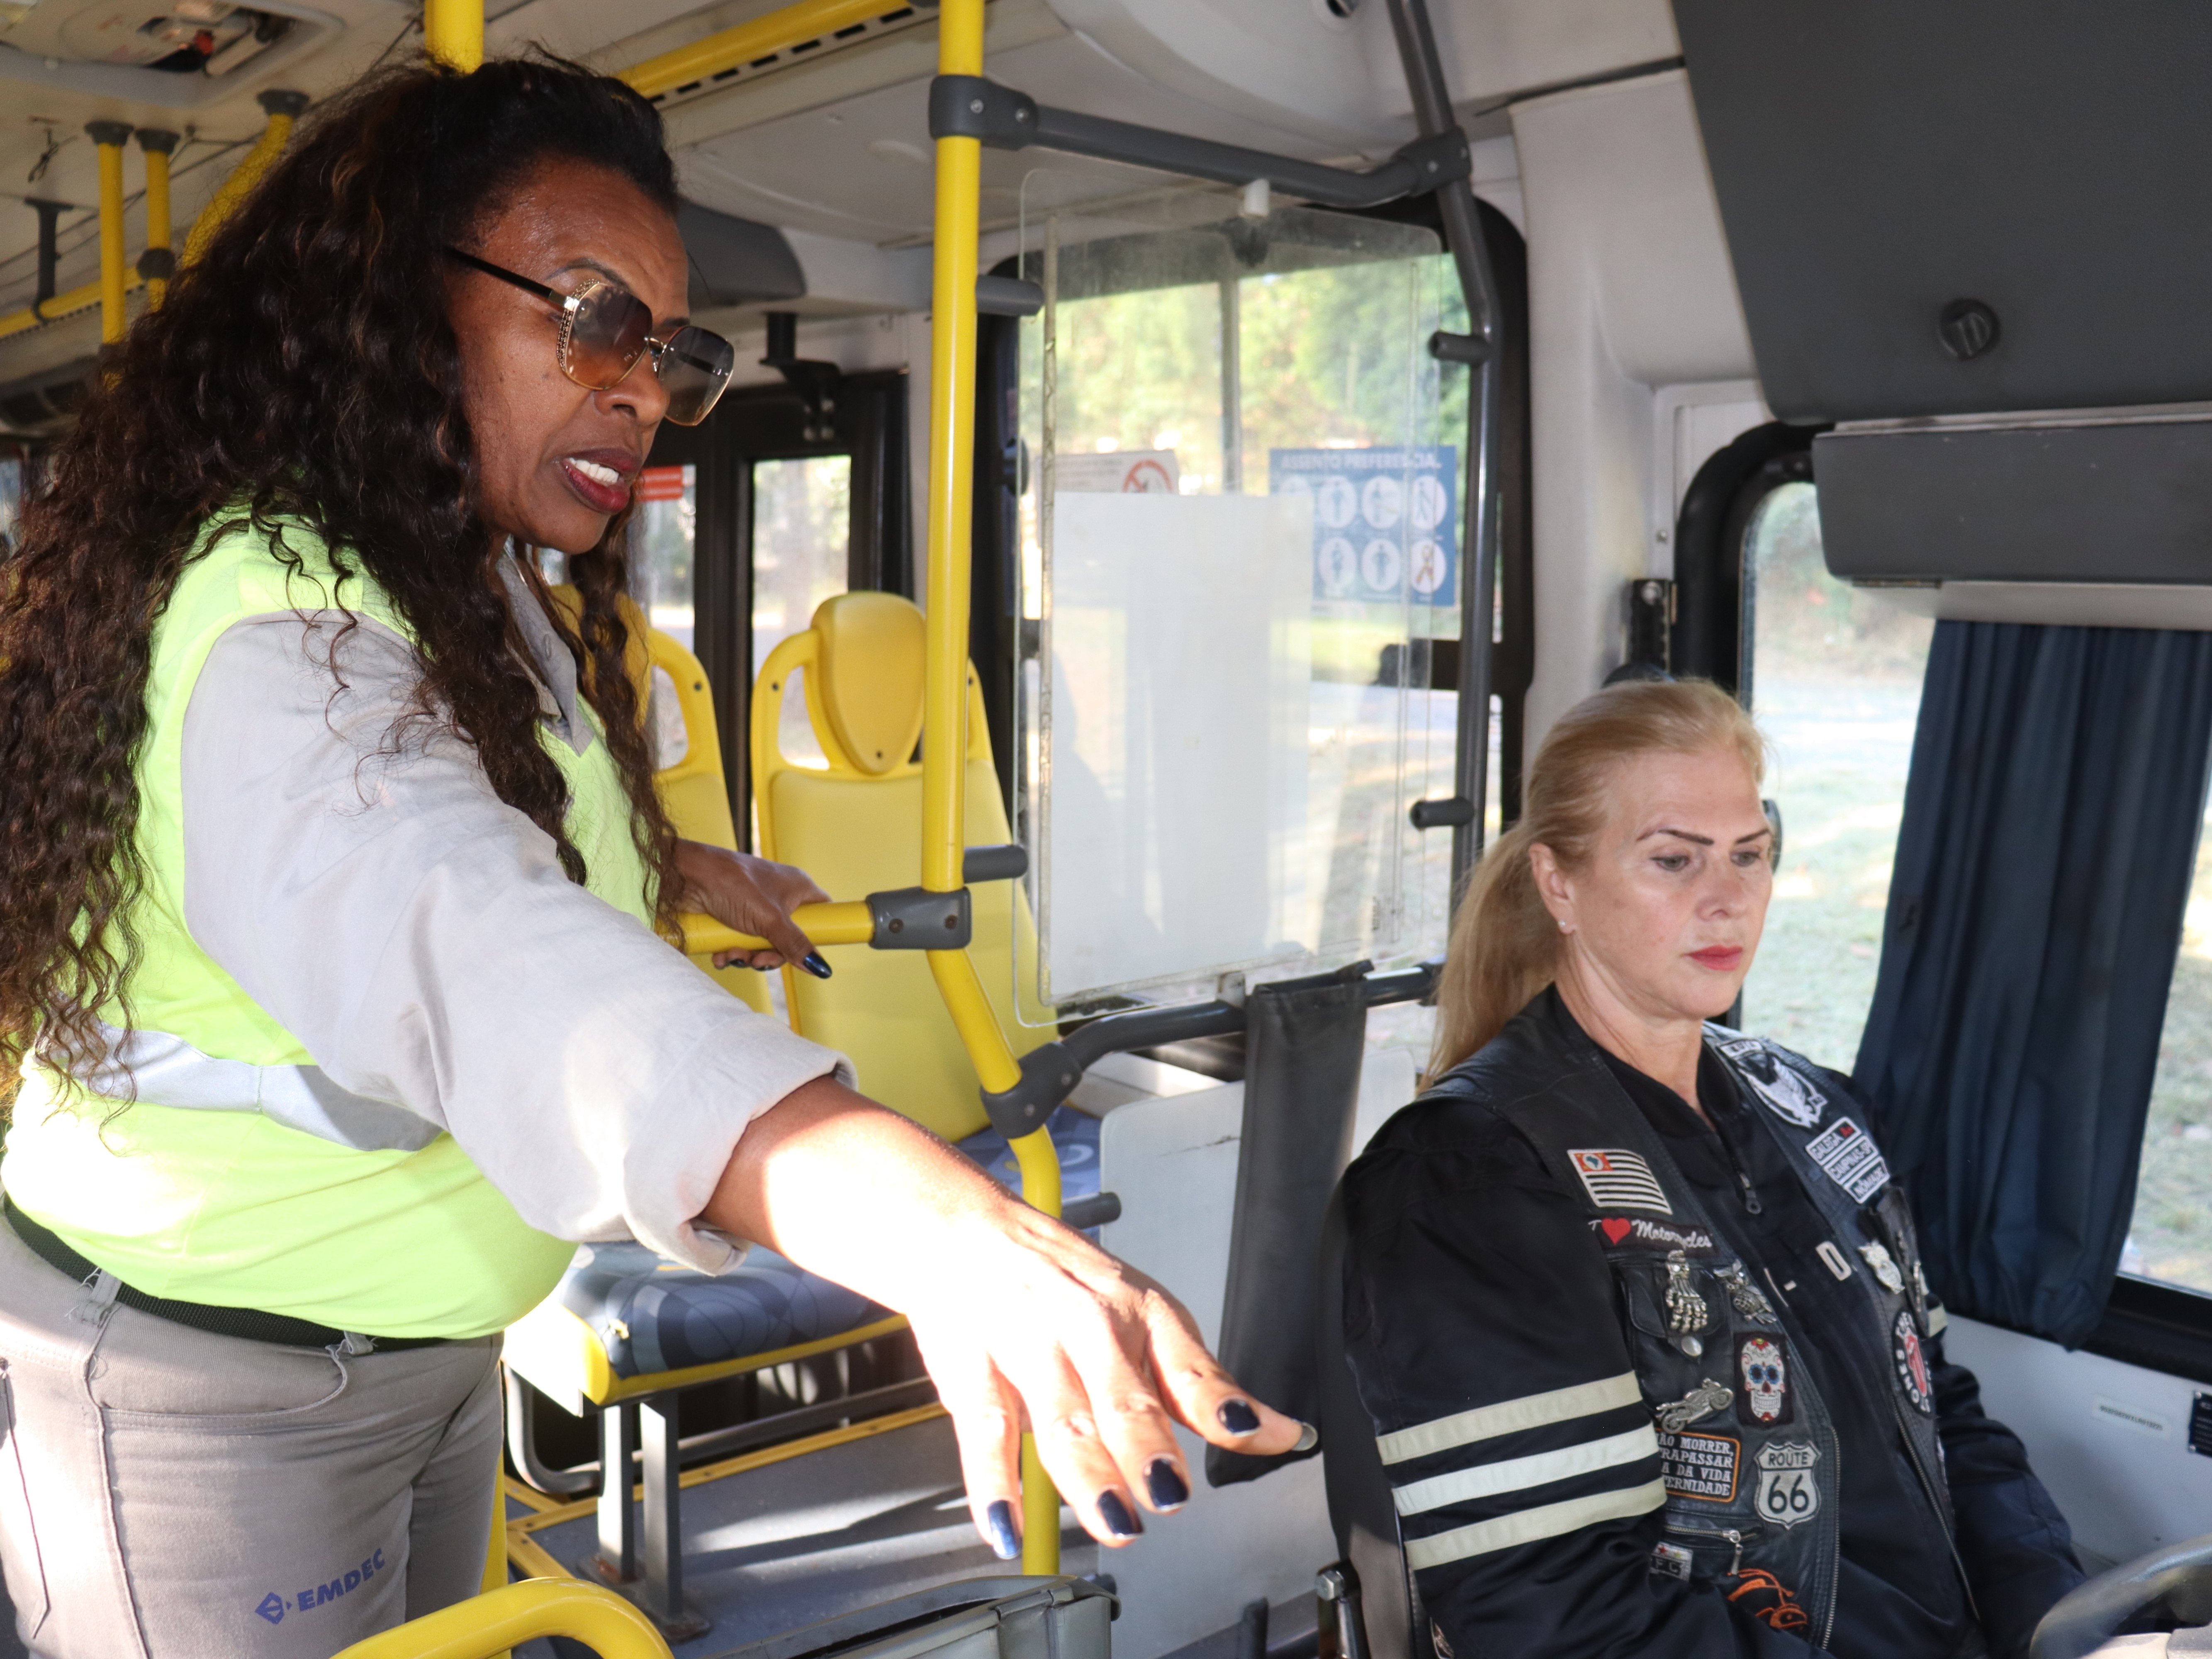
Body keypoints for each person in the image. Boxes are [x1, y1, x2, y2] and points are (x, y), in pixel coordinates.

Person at [0, 55, 1302, 1658]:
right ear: (397, 303)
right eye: (592, 318)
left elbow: (479, 813)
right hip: (221, 1382)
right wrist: (936, 1230)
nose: (640, 386)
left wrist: (670, 865)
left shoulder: (464, 575)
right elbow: (466, 940)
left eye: (668, 353)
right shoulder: (282, 621)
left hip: (424, 1347)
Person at [1337, 679, 2083, 1659]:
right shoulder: (1469, 1176)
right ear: (1559, 883)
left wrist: (2058, 1620)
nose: (1726, 897)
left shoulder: (1811, 1105)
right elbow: (1554, 1617)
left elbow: (1942, 1410)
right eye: (1672, 860)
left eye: (1750, 854)